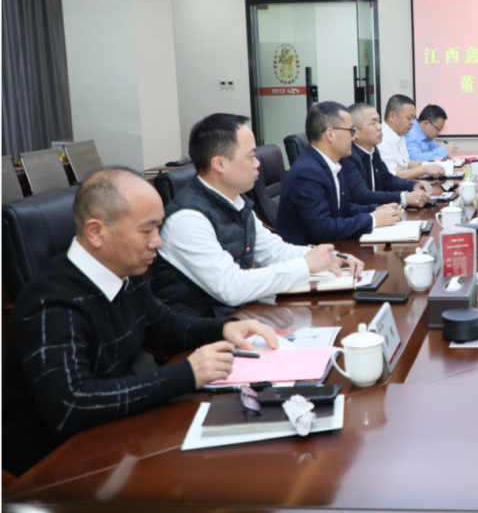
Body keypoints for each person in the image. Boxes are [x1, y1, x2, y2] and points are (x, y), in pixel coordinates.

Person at [2, 168, 279, 476]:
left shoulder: (123, 273)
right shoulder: (52, 302)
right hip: (55, 468)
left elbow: (165, 329)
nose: (157, 242)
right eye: (146, 231)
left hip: (113, 437)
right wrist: (187, 373)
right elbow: (71, 405)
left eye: (158, 228)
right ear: (96, 232)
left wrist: (224, 328)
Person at [151, 113, 364, 318]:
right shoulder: (187, 220)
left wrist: (329, 257)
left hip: (239, 319)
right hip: (203, 333)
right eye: (251, 156)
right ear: (219, 164)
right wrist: (305, 265)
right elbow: (231, 287)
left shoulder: (237, 202)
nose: (257, 163)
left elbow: (275, 252)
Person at [276, 101, 403, 245]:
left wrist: (378, 209)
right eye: (351, 131)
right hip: (307, 253)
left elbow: (344, 208)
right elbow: (322, 229)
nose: (354, 138)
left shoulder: (333, 163)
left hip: (331, 247)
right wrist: (373, 219)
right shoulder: (307, 172)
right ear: (330, 134)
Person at [342, 102, 433, 208]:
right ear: (355, 131)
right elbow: (362, 195)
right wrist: (403, 197)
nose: (379, 127)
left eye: (379, 121)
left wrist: (414, 185)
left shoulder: (373, 150)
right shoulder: (347, 156)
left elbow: (388, 180)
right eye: (373, 123)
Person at [378, 94, 447, 181]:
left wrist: (432, 164)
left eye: (413, 118)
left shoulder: (400, 134)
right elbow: (391, 175)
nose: (412, 122)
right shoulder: (381, 138)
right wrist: (424, 169)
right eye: (409, 118)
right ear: (392, 117)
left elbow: (407, 164)